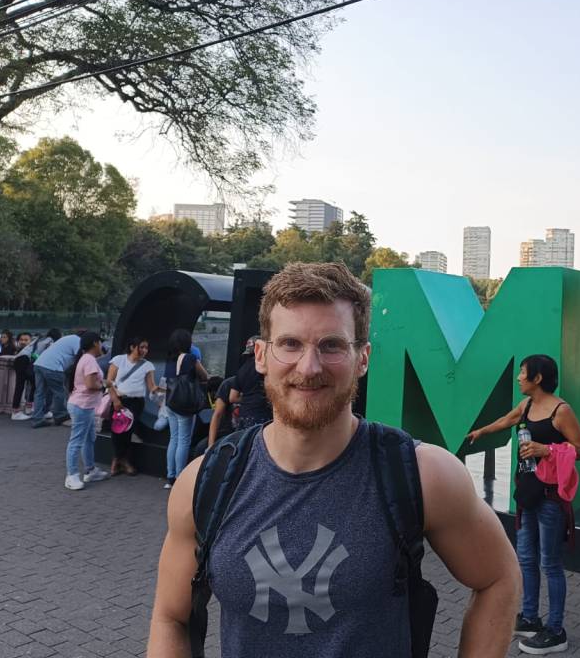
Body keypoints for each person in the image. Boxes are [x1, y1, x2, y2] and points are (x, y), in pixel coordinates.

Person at [147, 262, 519, 657]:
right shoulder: (205, 483)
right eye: (290, 344)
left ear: (363, 358)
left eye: (332, 345)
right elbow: (170, 617)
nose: (309, 368)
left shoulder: (422, 475)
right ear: (261, 355)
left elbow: (498, 578)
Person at [468, 354, 580, 654]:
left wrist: (546, 449)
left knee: (550, 563)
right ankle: (531, 618)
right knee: (525, 558)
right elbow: (507, 420)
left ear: (537, 378)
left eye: (523, 373)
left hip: (550, 498)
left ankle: (556, 631)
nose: (518, 377)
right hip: (527, 493)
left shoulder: (561, 411)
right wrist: (482, 432)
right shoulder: (527, 405)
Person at [105, 335, 162, 476]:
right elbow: (109, 382)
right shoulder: (119, 360)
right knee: (117, 431)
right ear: (132, 347)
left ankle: (123, 460)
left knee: (128, 431)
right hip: (120, 400)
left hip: (136, 402)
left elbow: (151, 386)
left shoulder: (147, 365)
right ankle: (117, 459)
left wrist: (164, 392)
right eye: (141, 347)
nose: (144, 350)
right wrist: (115, 400)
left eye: (146, 348)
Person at [63, 332, 111, 491]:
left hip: (85, 405)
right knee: (77, 440)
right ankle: (72, 475)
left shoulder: (85, 359)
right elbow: (90, 384)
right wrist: (105, 385)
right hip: (82, 406)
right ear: (95, 343)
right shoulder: (89, 360)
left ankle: (90, 470)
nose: (101, 346)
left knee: (89, 438)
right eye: (100, 342)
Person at [162, 328, 208, 488]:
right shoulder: (190, 358)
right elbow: (204, 375)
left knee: (173, 438)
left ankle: (170, 477)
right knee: (184, 440)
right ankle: (180, 477)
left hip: (171, 403)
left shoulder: (169, 359)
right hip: (184, 405)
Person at [31, 332, 80, 428]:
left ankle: (37, 418)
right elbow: (79, 358)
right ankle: (60, 415)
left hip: (39, 364)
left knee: (40, 393)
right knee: (59, 392)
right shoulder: (78, 341)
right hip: (53, 367)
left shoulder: (67, 338)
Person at [8, 333, 34, 420]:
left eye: (26, 340)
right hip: (22, 362)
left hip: (24, 363)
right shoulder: (23, 350)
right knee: (20, 386)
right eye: (21, 340)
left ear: (31, 341)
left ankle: (27, 407)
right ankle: (17, 411)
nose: (23, 342)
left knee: (31, 384)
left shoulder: (25, 349)